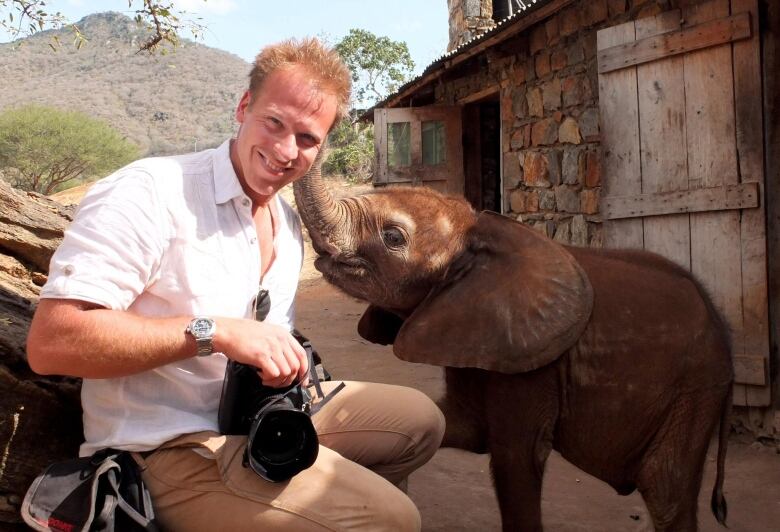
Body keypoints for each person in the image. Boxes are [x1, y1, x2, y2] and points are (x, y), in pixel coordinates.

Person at [26, 37, 444, 531]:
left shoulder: (285, 224)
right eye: (275, 123)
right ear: (244, 106)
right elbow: (52, 343)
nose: (286, 151)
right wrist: (215, 332)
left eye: (307, 138)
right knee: (393, 519)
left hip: (251, 424)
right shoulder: (150, 193)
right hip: (165, 446)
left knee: (419, 420)